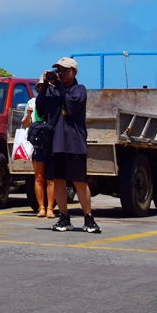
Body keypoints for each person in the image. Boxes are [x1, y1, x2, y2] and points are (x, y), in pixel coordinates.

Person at [36, 57, 101, 234]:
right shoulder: (52, 90)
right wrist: (44, 86)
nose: (61, 73)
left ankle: (89, 218)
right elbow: (40, 110)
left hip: (74, 143)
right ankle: (64, 217)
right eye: (59, 70)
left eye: (65, 70)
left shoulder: (79, 90)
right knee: (58, 180)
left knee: (79, 181)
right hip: (54, 143)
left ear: (74, 72)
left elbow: (71, 106)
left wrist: (57, 85)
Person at [21, 77, 56, 218]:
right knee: (39, 177)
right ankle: (41, 207)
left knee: (51, 178)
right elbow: (25, 124)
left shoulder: (54, 101)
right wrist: (29, 114)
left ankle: (50, 208)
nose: (44, 88)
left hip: (51, 142)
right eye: (41, 86)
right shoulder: (31, 102)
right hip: (38, 142)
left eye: (46, 86)